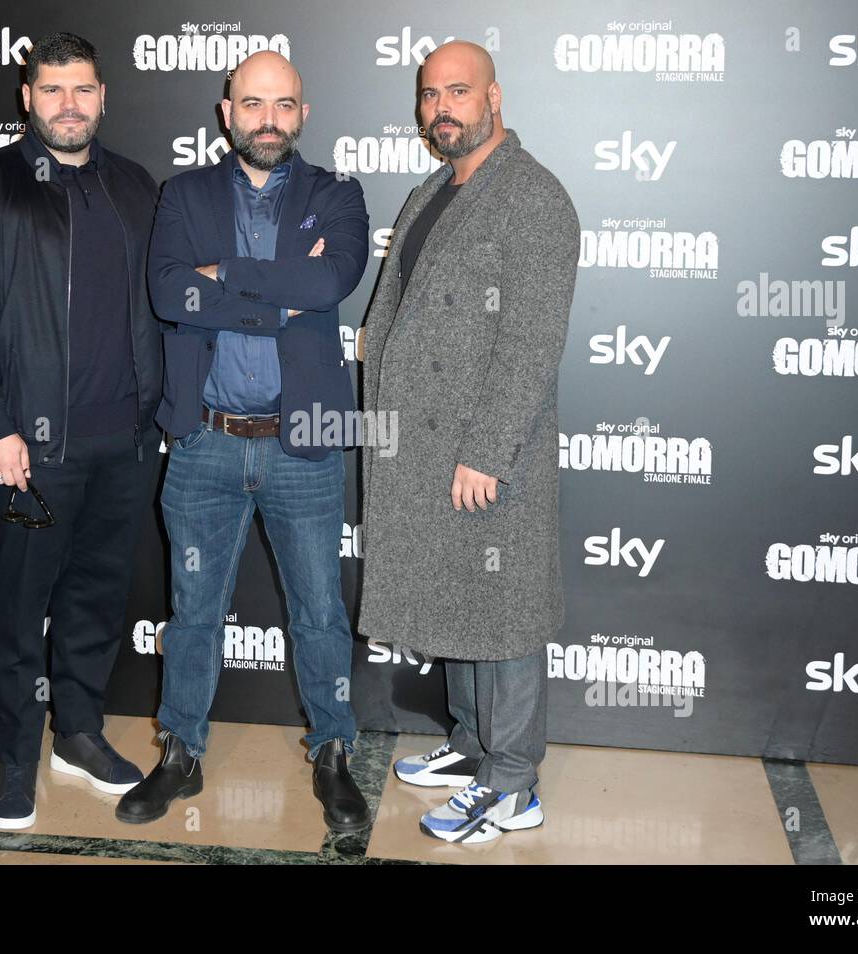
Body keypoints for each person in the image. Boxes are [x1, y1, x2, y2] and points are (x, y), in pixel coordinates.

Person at [114, 51, 372, 833]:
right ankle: (180, 754)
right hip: (204, 447)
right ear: (226, 113)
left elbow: (331, 286)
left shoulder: (337, 195)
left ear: (302, 113)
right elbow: (169, 291)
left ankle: (333, 754)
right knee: (193, 609)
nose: (268, 118)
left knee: (321, 611)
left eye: (283, 104)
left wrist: (224, 276)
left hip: (305, 446)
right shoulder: (183, 194)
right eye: (252, 104)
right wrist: (276, 292)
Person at [0, 32, 163, 829]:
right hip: (27, 454)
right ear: (26, 98)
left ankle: (81, 734)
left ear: (102, 97)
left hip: (121, 449)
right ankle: (17, 758)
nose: (69, 105)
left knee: (97, 600)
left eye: (83, 90)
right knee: (20, 610)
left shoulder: (135, 187)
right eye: (52, 90)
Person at [358, 41, 580, 844]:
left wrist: (486, 450)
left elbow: (529, 343)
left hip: (486, 454)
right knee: (456, 602)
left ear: (494, 97)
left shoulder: (535, 197)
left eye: (458, 91)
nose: (441, 108)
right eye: (429, 95)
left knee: (501, 611)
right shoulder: (431, 190)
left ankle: (513, 780)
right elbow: (395, 310)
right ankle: (471, 742)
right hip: (418, 447)